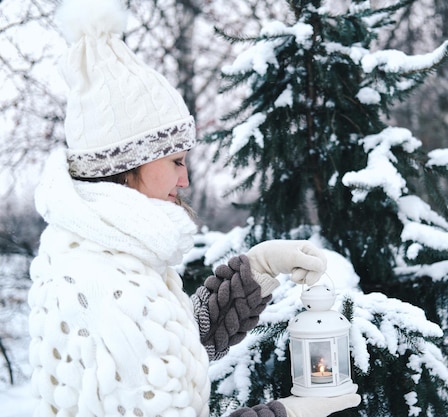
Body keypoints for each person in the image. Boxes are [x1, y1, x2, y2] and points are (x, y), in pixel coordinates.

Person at [27, 0, 361, 416]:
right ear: (128, 164)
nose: (184, 180)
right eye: (175, 162)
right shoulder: (106, 284)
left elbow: (173, 342)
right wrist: (287, 414)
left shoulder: (109, 252)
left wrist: (257, 270)